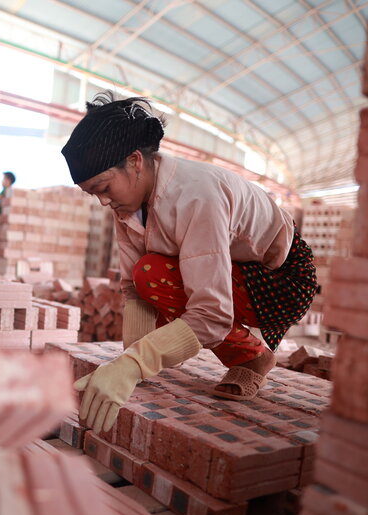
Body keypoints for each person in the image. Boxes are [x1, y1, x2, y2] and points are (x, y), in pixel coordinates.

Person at [61, 93, 316, 434]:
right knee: (146, 274)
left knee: (158, 275)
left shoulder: (197, 194)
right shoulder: (128, 204)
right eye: (93, 193)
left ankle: (253, 357)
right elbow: (134, 288)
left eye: (104, 187)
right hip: (234, 273)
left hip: (278, 281)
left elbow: (211, 314)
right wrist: (130, 364)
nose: (103, 200)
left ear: (136, 161)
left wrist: (135, 365)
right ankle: (189, 349)